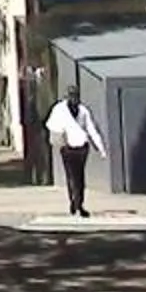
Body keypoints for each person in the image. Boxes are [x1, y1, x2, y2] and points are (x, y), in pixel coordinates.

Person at [44, 83, 106, 218]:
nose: (74, 99)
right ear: (67, 96)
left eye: (76, 96)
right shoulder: (59, 109)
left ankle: (79, 203)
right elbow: (51, 125)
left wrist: (100, 148)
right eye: (71, 95)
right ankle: (74, 202)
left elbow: (91, 129)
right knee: (71, 176)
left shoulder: (83, 111)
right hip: (67, 147)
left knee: (80, 177)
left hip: (82, 147)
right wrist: (59, 139)